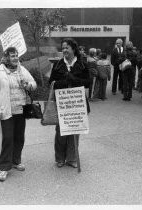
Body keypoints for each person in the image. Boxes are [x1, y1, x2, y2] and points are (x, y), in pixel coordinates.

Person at [0, 47, 37, 181]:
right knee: (8, 138)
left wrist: (28, 85)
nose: (15, 58)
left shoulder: (22, 70)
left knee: (19, 137)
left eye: (16, 55)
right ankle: (4, 167)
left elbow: (34, 84)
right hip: (6, 111)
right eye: (12, 55)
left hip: (20, 110)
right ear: (6, 57)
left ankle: (16, 161)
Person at [49, 38, 90, 168]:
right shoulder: (58, 65)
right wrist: (64, 83)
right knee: (61, 131)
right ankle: (60, 158)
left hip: (77, 103)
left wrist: (74, 79)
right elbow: (51, 83)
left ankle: (71, 158)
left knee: (74, 131)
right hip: (62, 103)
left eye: (67, 47)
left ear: (73, 48)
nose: (64, 50)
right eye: (63, 48)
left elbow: (88, 82)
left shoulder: (82, 64)